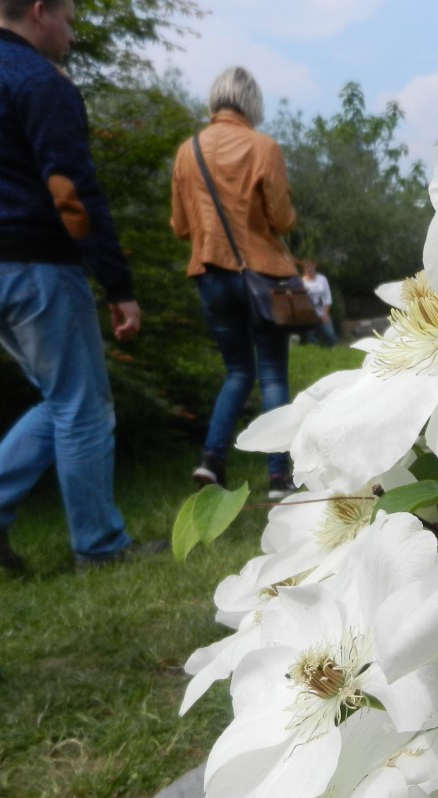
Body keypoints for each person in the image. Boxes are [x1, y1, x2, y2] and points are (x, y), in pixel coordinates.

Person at [0, 0, 158, 571]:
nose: (72, 33)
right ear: (41, 11)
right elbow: (74, 194)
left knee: (63, 398)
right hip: (35, 266)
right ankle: (99, 547)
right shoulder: (38, 81)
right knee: (84, 407)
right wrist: (118, 286)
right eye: (70, 20)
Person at [170, 66, 299, 501]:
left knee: (237, 372)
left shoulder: (188, 151)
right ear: (251, 103)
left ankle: (211, 461)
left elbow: (179, 226)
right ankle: (279, 479)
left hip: (210, 274)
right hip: (261, 277)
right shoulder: (264, 146)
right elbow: (281, 219)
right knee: (273, 374)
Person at [301, 259, 338, 347]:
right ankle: (315, 354)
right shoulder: (301, 282)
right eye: (306, 268)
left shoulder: (322, 279)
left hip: (322, 312)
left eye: (310, 267)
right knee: (311, 338)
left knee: (330, 334)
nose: (308, 269)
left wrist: (325, 314)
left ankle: (335, 352)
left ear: (314, 266)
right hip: (309, 315)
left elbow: (327, 297)